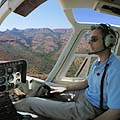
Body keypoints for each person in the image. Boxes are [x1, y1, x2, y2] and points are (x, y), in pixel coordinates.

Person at [14, 24, 120, 120]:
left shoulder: (115, 69)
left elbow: (116, 111)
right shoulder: (98, 62)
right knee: (45, 86)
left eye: (94, 39)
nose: (89, 42)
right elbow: (86, 83)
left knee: (29, 103)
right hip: (83, 95)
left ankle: (10, 109)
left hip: (91, 108)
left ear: (108, 42)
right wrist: (65, 88)